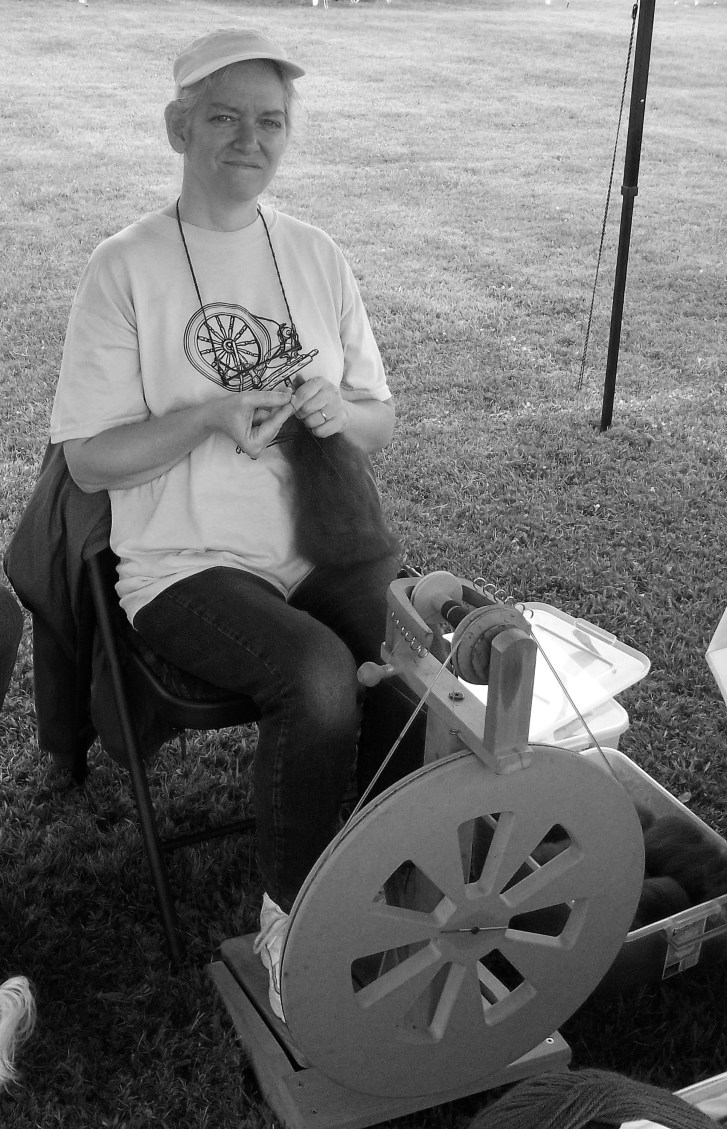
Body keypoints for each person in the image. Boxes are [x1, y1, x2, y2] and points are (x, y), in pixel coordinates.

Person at [50, 27, 424, 1022]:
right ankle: (294, 931)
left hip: (321, 545)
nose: (249, 140)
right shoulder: (124, 267)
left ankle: (391, 884)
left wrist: (341, 412)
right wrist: (209, 416)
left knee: (417, 677)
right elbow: (88, 459)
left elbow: (380, 418)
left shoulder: (316, 253)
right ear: (179, 128)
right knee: (319, 676)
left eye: (270, 121)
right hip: (186, 565)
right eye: (224, 118)